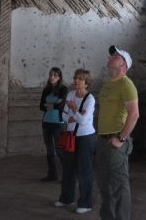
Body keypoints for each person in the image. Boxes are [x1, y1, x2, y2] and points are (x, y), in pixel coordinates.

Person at [96, 45, 139, 220]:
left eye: (115, 55)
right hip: (102, 140)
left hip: (116, 140)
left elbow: (134, 114)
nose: (110, 57)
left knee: (119, 186)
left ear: (123, 63)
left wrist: (121, 138)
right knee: (104, 184)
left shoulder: (126, 84)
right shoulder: (107, 84)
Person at [55, 68, 96, 214]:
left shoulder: (90, 99)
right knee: (68, 169)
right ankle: (66, 198)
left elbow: (84, 121)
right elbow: (65, 116)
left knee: (84, 170)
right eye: (75, 78)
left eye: (80, 79)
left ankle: (86, 203)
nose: (76, 81)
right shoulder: (71, 94)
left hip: (85, 137)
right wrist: (74, 113)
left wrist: (73, 109)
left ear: (86, 83)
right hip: (71, 135)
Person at [39, 67, 68, 181]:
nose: (52, 77)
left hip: (58, 123)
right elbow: (41, 106)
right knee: (49, 151)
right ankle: (52, 174)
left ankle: (67, 175)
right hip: (46, 122)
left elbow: (62, 105)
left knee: (60, 150)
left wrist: (50, 105)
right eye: (51, 75)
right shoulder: (46, 90)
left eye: (55, 75)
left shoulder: (63, 89)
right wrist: (55, 104)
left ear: (59, 77)